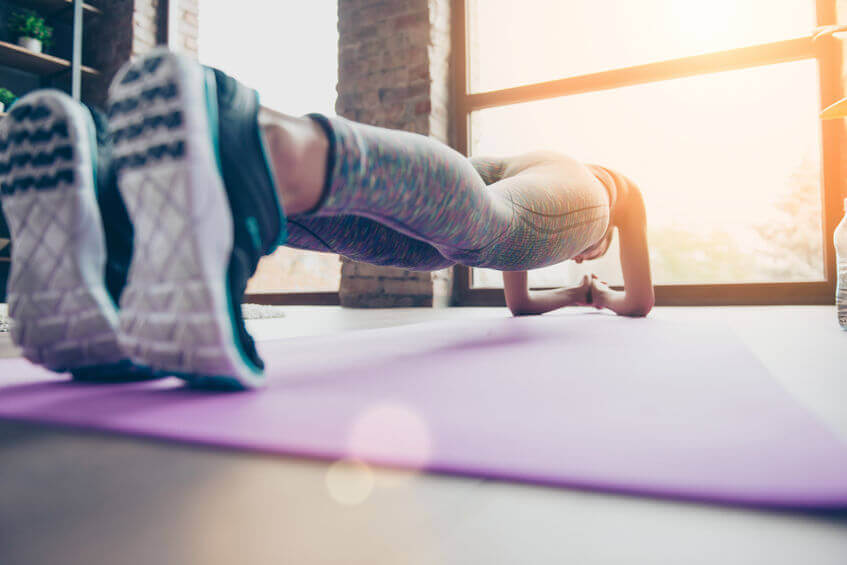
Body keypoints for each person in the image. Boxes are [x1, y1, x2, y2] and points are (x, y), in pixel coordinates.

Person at [0, 48, 653, 390]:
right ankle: (265, 142)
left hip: (484, 174)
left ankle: (114, 212)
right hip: (548, 186)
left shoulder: (530, 198)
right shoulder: (608, 194)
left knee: (434, 243)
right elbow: (640, 303)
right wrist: (598, 292)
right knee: (488, 226)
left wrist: (566, 291)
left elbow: (515, 297)